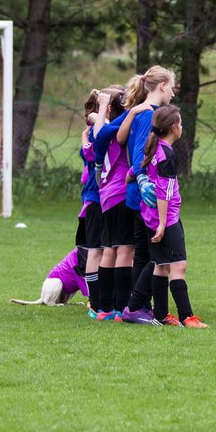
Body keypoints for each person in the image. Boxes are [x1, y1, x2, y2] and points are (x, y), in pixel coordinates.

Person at [125, 105, 208, 328]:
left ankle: (161, 314)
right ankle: (187, 317)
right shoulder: (167, 154)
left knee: (160, 265)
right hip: (166, 219)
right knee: (178, 266)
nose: (181, 127)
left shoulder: (152, 148)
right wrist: (162, 224)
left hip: (148, 217)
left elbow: (132, 173)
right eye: (180, 123)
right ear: (173, 127)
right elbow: (164, 192)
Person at [110, 66, 177, 323]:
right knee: (156, 254)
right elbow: (140, 157)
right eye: (171, 86)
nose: (172, 92)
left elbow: (120, 138)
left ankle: (140, 306)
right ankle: (136, 305)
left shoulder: (142, 113)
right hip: (145, 197)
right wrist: (140, 177)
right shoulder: (149, 115)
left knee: (144, 253)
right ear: (161, 86)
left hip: (136, 193)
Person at [90, 84, 132, 320]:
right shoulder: (118, 129)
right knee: (125, 250)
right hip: (121, 194)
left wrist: (101, 108)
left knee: (108, 251)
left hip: (106, 196)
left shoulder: (103, 126)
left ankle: (103, 309)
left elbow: (96, 126)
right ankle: (121, 308)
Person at [77, 90, 106, 317]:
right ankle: (94, 301)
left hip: (103, 200)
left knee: (105, 250)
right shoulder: (95, 133)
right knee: (95, 251)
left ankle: (104, 298)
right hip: (96, 201)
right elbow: (90, 155)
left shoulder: (91, 134)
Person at [10, 247, 90, 306]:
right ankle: (51, 303)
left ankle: (63, 302)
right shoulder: (80, 255)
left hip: (66, 288)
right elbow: (82, 277)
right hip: (54, 282)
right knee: (57, 282)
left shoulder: (84, 253)